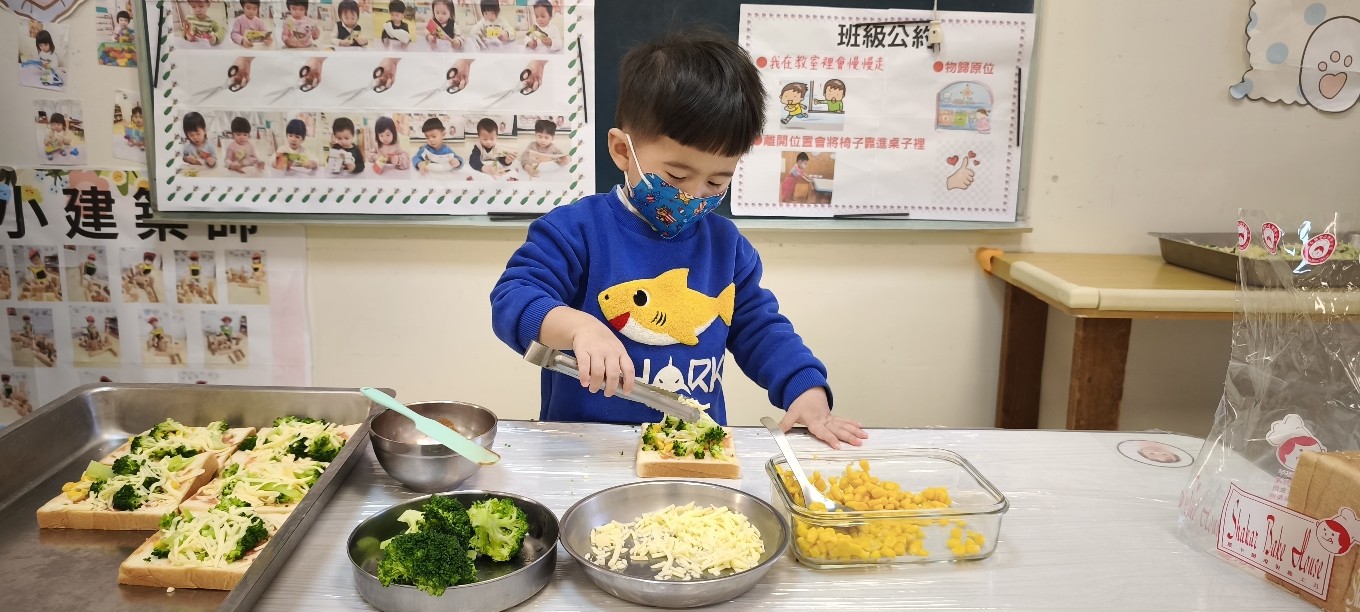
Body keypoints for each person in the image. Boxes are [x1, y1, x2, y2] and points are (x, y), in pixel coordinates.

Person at [489, 27, 867, 449]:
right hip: (585, 449)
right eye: (677, 176)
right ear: (621, 151)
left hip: (691, 446)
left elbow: (760, 328)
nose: (694, 195)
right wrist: (578, 327)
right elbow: (514, 298)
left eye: (717, 181)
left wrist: (805, 387)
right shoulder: (576, 230)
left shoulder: (726, 246)